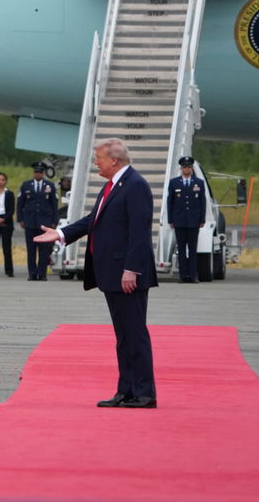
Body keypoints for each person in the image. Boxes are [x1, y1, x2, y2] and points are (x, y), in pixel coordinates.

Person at [35, 138, 159, 408]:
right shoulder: (114, 185)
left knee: (135, 335)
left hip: (127, 274)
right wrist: (61, 233)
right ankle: (126, 391)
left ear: (114, 160)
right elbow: (94, 221)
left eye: (99, 158)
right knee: (123, 337)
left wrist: (131, 269)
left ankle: (144, 393)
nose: (96, 163)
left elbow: (139, 233)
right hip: (112, 273)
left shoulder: (136, 186)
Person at [167, 156, 207, 283]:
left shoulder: (198, 182)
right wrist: (170, 220)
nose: (187, 169)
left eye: (189, 166)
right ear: (181, 168)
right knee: (182, 250)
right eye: (184, 166)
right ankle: (183, 276)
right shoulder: (174, 182)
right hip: (179, 221)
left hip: (194, 221)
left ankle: (193, 275)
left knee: (193, 249)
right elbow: (170, 202)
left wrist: (202, 219)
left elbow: (202, 202)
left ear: (191, 168)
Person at [18, 162, 58, 280]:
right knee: (31, 250)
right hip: (30, 222)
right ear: (33, 173)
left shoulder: (49, 185)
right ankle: (32, 273)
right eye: (36, 172)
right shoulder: (26, 185)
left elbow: (54, 204)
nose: (38, 174)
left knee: (44, 250)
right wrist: (20, 219)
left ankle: (42, 273)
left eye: (40, 172)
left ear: (43, 173)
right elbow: (20, 203)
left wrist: (54, 221)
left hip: (44, 223)